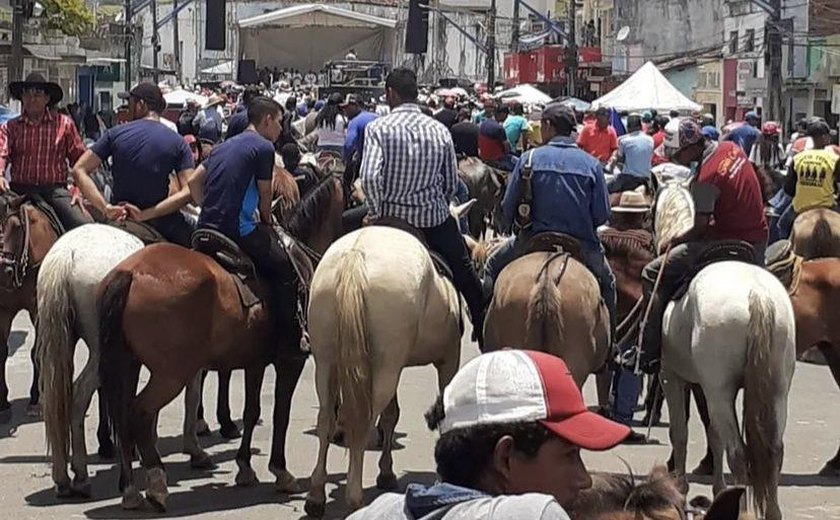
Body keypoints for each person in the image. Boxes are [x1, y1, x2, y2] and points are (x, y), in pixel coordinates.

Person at [346, 349, 630, 519]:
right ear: (505, 457)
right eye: (569, 455)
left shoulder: (376, 512)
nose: (584, 479)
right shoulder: (534, 514)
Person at [629, 119, 768, 374]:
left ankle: (647, 352)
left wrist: (675, 239)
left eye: (677, 154)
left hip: (726, 242)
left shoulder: (707, 176)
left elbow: (700, 227)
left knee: (651, 273)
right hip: (758, 241)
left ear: (692, 147)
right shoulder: (731, 149)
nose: (676, 160)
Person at [360, 67, 486, 346]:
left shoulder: (378, 128)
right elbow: (452, 183)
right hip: (433, 222)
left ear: (390, 94)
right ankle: (482, 325)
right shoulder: (439, 130)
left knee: (342, 233)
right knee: (465, 273)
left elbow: (369, 177)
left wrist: (376, 210)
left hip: (390, 219)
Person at [483, 103, 616, 342]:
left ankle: (486, 337)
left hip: (531, 240)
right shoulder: (592, 164)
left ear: (548, 126)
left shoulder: (529, 159)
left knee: (491, 266)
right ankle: (610, 347)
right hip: (582, 245)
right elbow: (601, 215)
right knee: (608, 284)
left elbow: (508, 207)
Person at [189, 96, 305, 360]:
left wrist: (206, 205)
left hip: (205, 227)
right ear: (267, 120)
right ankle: (289, 339)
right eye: (278, 123)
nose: (280, 130)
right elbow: (265, 196)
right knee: (287, 269)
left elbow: (194, 182)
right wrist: (267, 220)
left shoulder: (222, 146)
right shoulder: (263, 148)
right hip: (237, 230)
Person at [71, 83, 196, 246]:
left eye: (129, 103)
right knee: (199, 246)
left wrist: (106, 208)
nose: (127, 109)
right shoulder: (178, 142)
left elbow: (79, 169)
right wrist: (146, 214)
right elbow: (189, 191)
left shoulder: (114, 134)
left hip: (119, 217)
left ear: (141, 105)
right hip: (161, 221)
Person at [0, 72, 90, 230]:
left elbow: (81, 161)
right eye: (26, 93)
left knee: (83, 225)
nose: (31, 98)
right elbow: (2, 153)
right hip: (19, 191)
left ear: (47, 99)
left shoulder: (64, 124)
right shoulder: (10, 127)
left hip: (54, 191)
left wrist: (78, 189)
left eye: (37, 93)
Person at [778, 119, 840, 237]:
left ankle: (785, 252)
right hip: (827, 206)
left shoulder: (799, 157)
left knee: (782, 225)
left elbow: (789, 189)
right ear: (824, 137)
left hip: (801, 208)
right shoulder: (834, 158)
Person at [606, 113, 653, 193]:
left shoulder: (624, 141)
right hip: (647, 178)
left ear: (628, 127)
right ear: (640, 127)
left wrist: (613, 163)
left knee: (606, 189)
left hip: (629, 179)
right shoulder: (650, 139)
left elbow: (620, 160)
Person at [342, 94, 378, 193]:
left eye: (347, 107)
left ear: (356, 106)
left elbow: (349, 144)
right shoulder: (377, 117)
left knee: (351, 189)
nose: (345, 111)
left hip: (364, 164)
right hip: (381, 163)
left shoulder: (354, 122)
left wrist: (345, 160)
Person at [479, 104, 515, 171]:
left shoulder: (483, 123)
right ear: (502, 114)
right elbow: (507, 149)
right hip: (497, 160)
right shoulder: (499, 128)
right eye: (506, 115)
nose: (506, 118)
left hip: (483, 157)